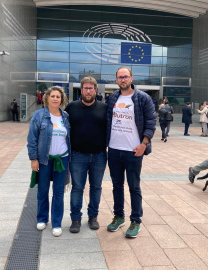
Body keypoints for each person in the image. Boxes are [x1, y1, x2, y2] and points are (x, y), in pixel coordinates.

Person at [106, 67, 156, 238]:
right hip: (113, 150)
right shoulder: (113, 97)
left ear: (131, 78)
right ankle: (119, 217)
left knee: (134, 186)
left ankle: (136, 220)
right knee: (116, 185)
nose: (122, 80)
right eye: (119, 77)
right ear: (116, 80)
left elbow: (151, 122)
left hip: (133, 151)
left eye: (125, 77)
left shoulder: (142, 98)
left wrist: (144, 143)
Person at [65, 76, 107, 233]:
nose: (88, 91)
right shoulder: (71, 108)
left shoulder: (104, 108)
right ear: (81, 90)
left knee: (96, 187)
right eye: (85, 88)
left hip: (99, 155)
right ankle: (75, 219)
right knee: (77, 188)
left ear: (95, 90)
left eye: (91, 88)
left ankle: (93, 217)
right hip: (78, 155)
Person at [27, 86, 70, 237]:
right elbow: (32, 139)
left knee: (58, 192)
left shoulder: (65, 116)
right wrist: (33, 159)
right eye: (52, 96)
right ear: (47, 98)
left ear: (62, 99)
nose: (55, 99)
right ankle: (42, 218)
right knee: (43, 190)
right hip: (44, 159)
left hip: (62, 159)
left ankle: (57, 223)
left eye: (58, 96)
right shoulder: (39, 115)